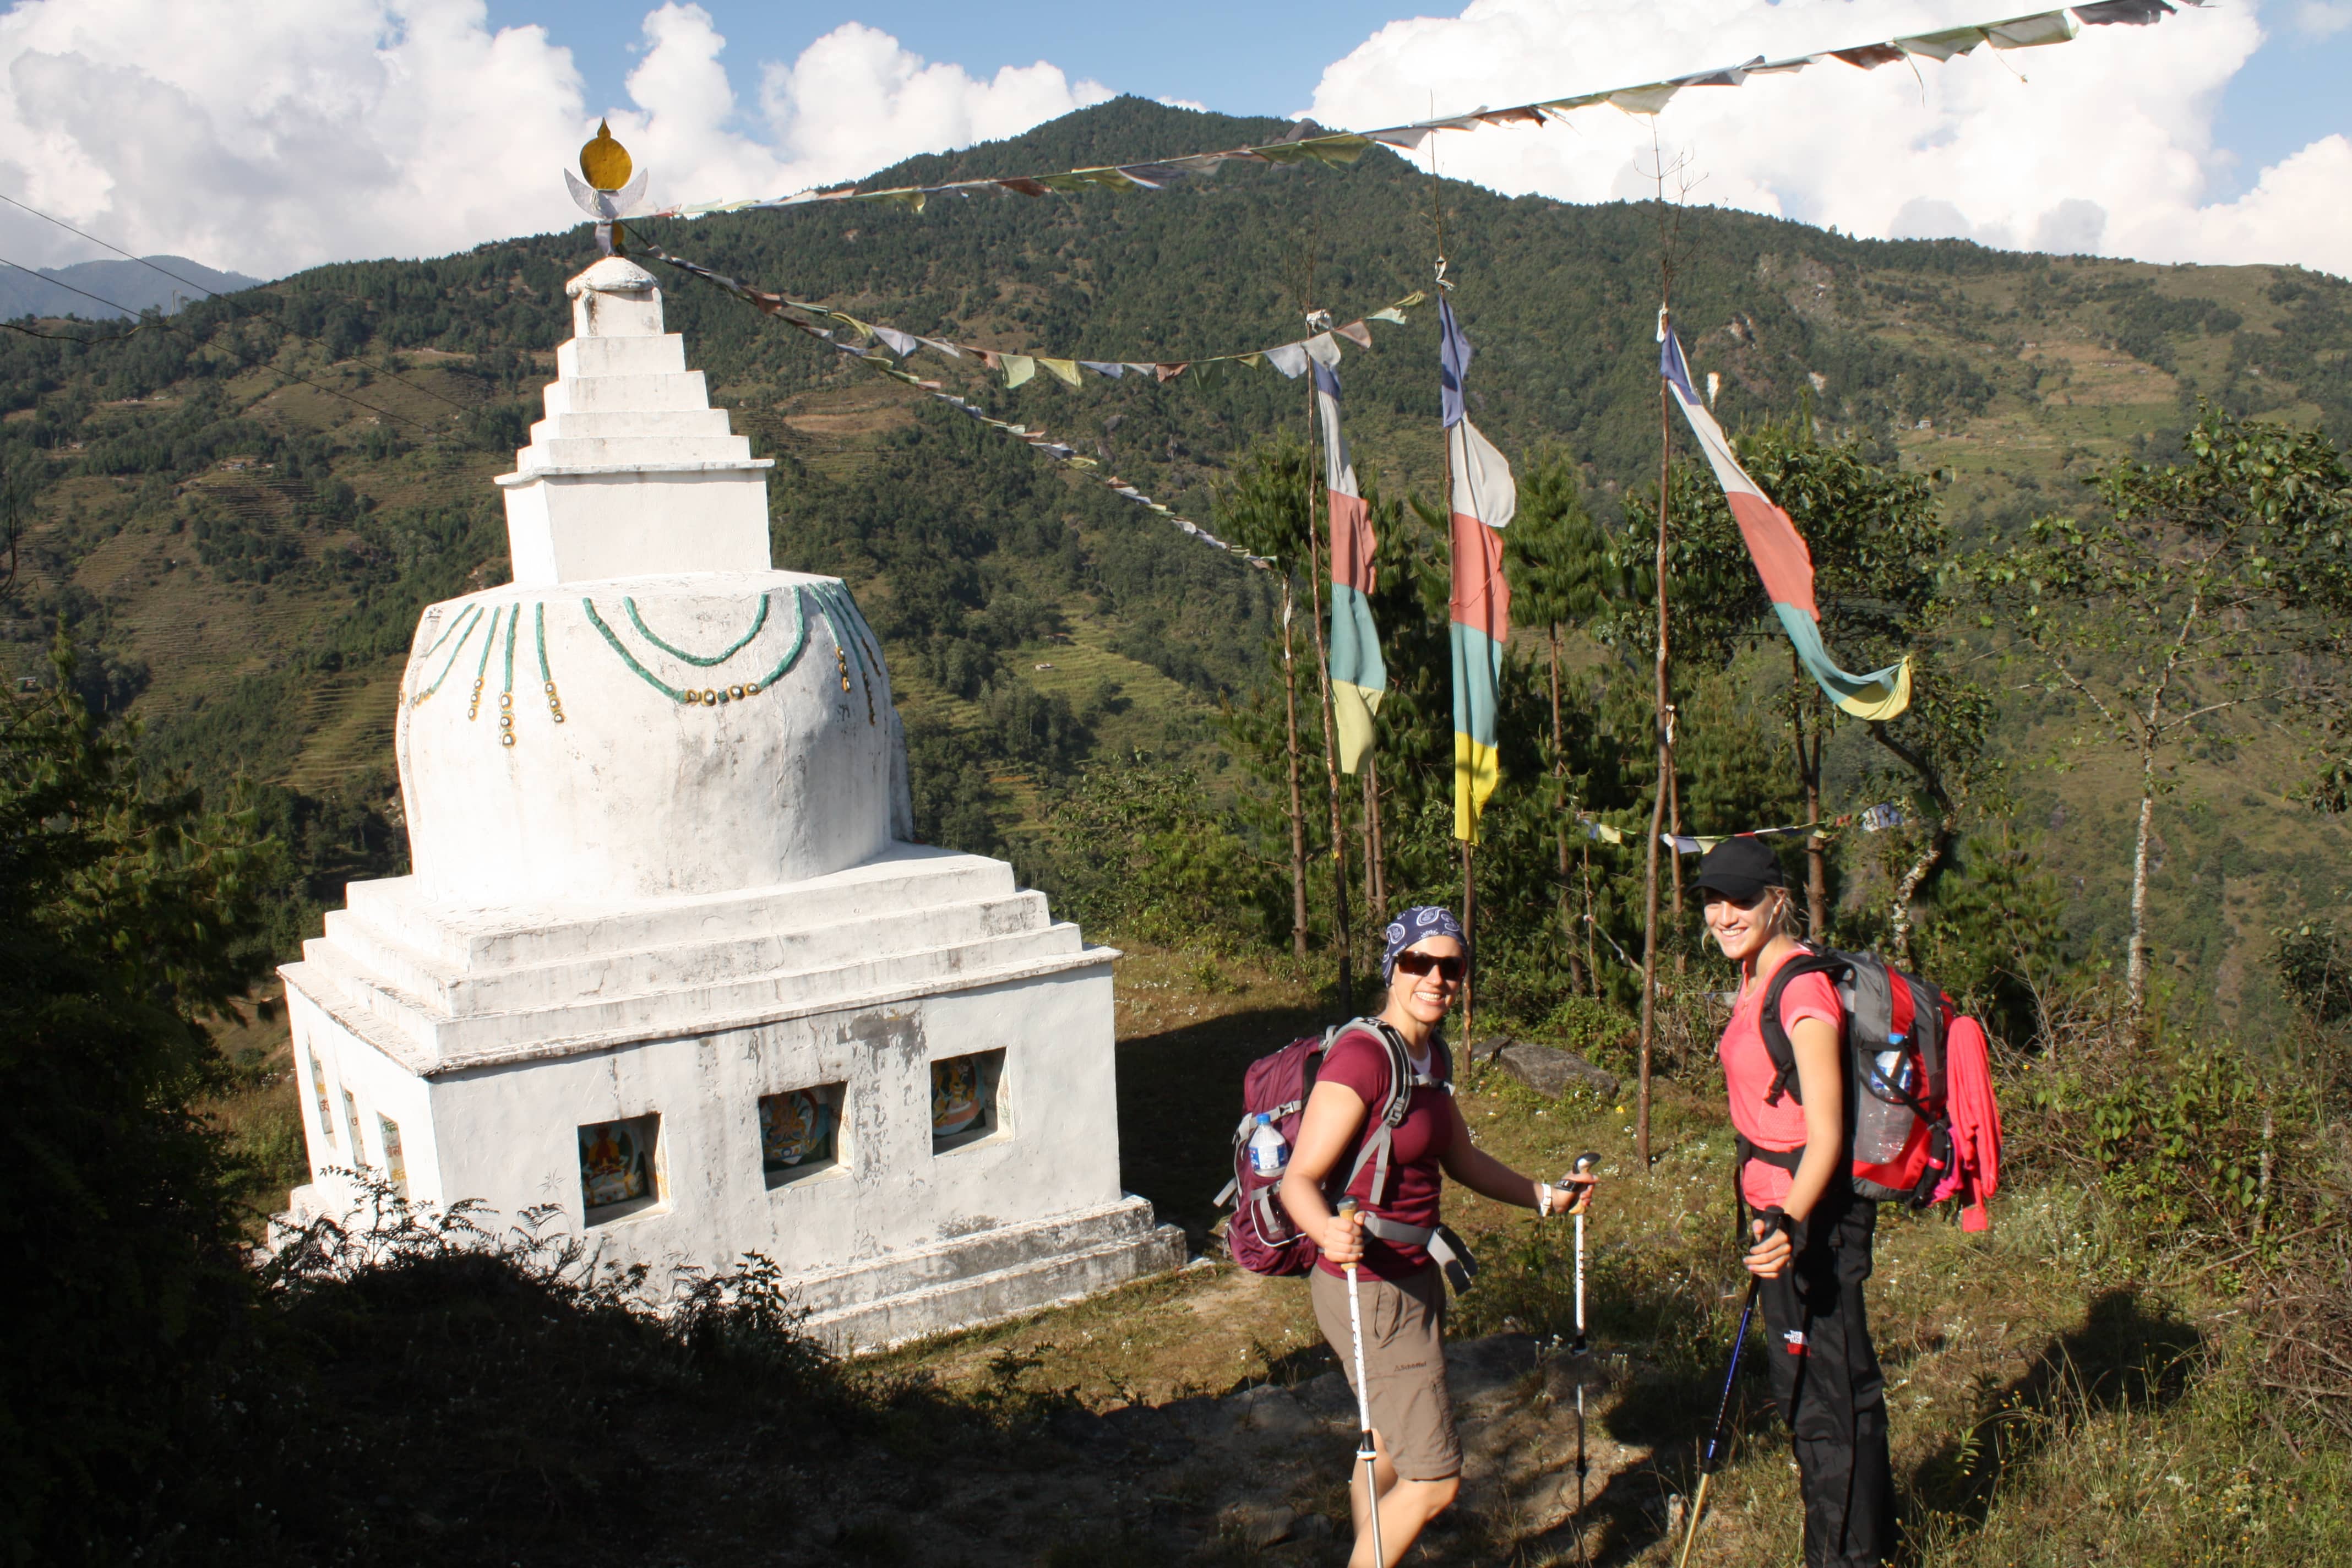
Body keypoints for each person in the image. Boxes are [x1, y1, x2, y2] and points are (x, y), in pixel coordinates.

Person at [1278, 905, 1593, 1568]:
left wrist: (1544, 1196)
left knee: (1388, 1450)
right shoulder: (1363, 1058)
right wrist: (1328, 1230)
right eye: (1420, 961)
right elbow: (1298, 1181)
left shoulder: (1429, 1055)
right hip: (1369, 1286)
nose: (1437, 977)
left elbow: (1462, 1157)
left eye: (1452, 966)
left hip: (1411, 1276)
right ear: (1392, 966)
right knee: (1435, 1479)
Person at [1694, 835, 1894, 1568]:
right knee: (1824, 1393)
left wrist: (1787, 1221)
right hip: (1781, 1220)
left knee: (1826, 1404)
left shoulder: (1799, 989)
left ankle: (1845, 1558)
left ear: (1776, 899)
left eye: (1741, 899)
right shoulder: (1756, 974)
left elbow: (1829, 1132)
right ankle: (1869, 1545)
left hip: (1811, 1226)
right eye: (1713, 899)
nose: (1723, 913)